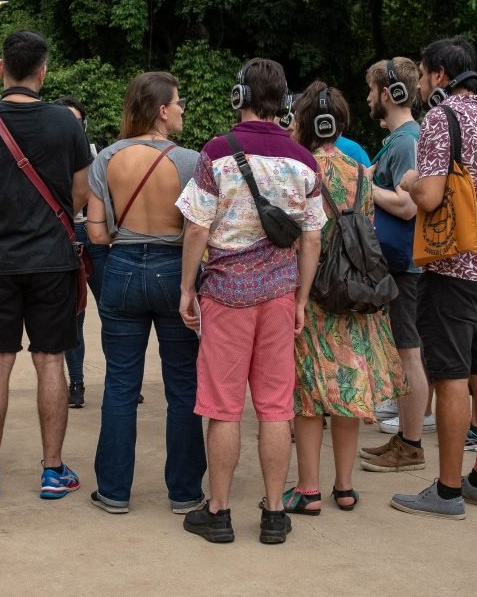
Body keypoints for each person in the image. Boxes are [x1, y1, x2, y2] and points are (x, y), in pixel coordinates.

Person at [176, 58, 323, 544]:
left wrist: (185, 289)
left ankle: (218, 513)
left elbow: (197, 227)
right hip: (280, 297)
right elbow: (311, 240)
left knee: (223, 408)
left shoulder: (216, 153)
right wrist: (301, 298)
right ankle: (275, 513)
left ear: (239, 97)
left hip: (224, 296)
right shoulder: (305, 160)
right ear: (283, 103)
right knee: (276, 407)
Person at [0, 30, 91, 501]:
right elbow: (78, 196)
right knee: (50, 359)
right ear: (42, 72)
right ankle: (52, 471)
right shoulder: (66, 124)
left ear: (0, 68)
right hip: (52, 259)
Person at [391, 36, 477, 519]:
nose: (422, 85)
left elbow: (426, 198)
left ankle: (446, 491)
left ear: (441, 75)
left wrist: (407, 181)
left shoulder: (441, 121)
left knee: (449, 378)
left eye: (425, 75)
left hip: (452, 272)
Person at [281, 82, 405, 515]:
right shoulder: (360, 172)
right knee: (347, 388)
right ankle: (346, 487)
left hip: (311, 295)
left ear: (305, 122)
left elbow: (298, 238)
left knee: (310, 395)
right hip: (354, 295)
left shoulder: (298, 171)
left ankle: (309, 489)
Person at [87, 72, 206, 514]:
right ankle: (185, 492)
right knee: (182, 385)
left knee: (120, 384)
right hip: (174, 270)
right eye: (177, 103)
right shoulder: (192, 161)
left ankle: (114, 491)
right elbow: (199, 228)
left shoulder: (108, 159)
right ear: (160, 110)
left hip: (121, 269)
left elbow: (96, 234)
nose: (181, 110)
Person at [358, 57, 434, 473]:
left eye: (373, 90)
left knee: (409, 354)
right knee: (405, 353)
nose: (369, 98)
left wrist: (364, 187)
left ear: (391, 93)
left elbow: (407, 205)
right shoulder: (398, 140)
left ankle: (411, 445)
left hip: (404, 266)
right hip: (397, 265)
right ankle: (405, 438)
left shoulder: (406, 142)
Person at [54, 96, 109, 409]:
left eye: (77, 121)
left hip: (90, 232)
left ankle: (120, 377)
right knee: (73, 314)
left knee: (110, 309)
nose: (72, 126)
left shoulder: (91, 152)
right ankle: (76, 382)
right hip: (64, 233)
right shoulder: (46, 150)